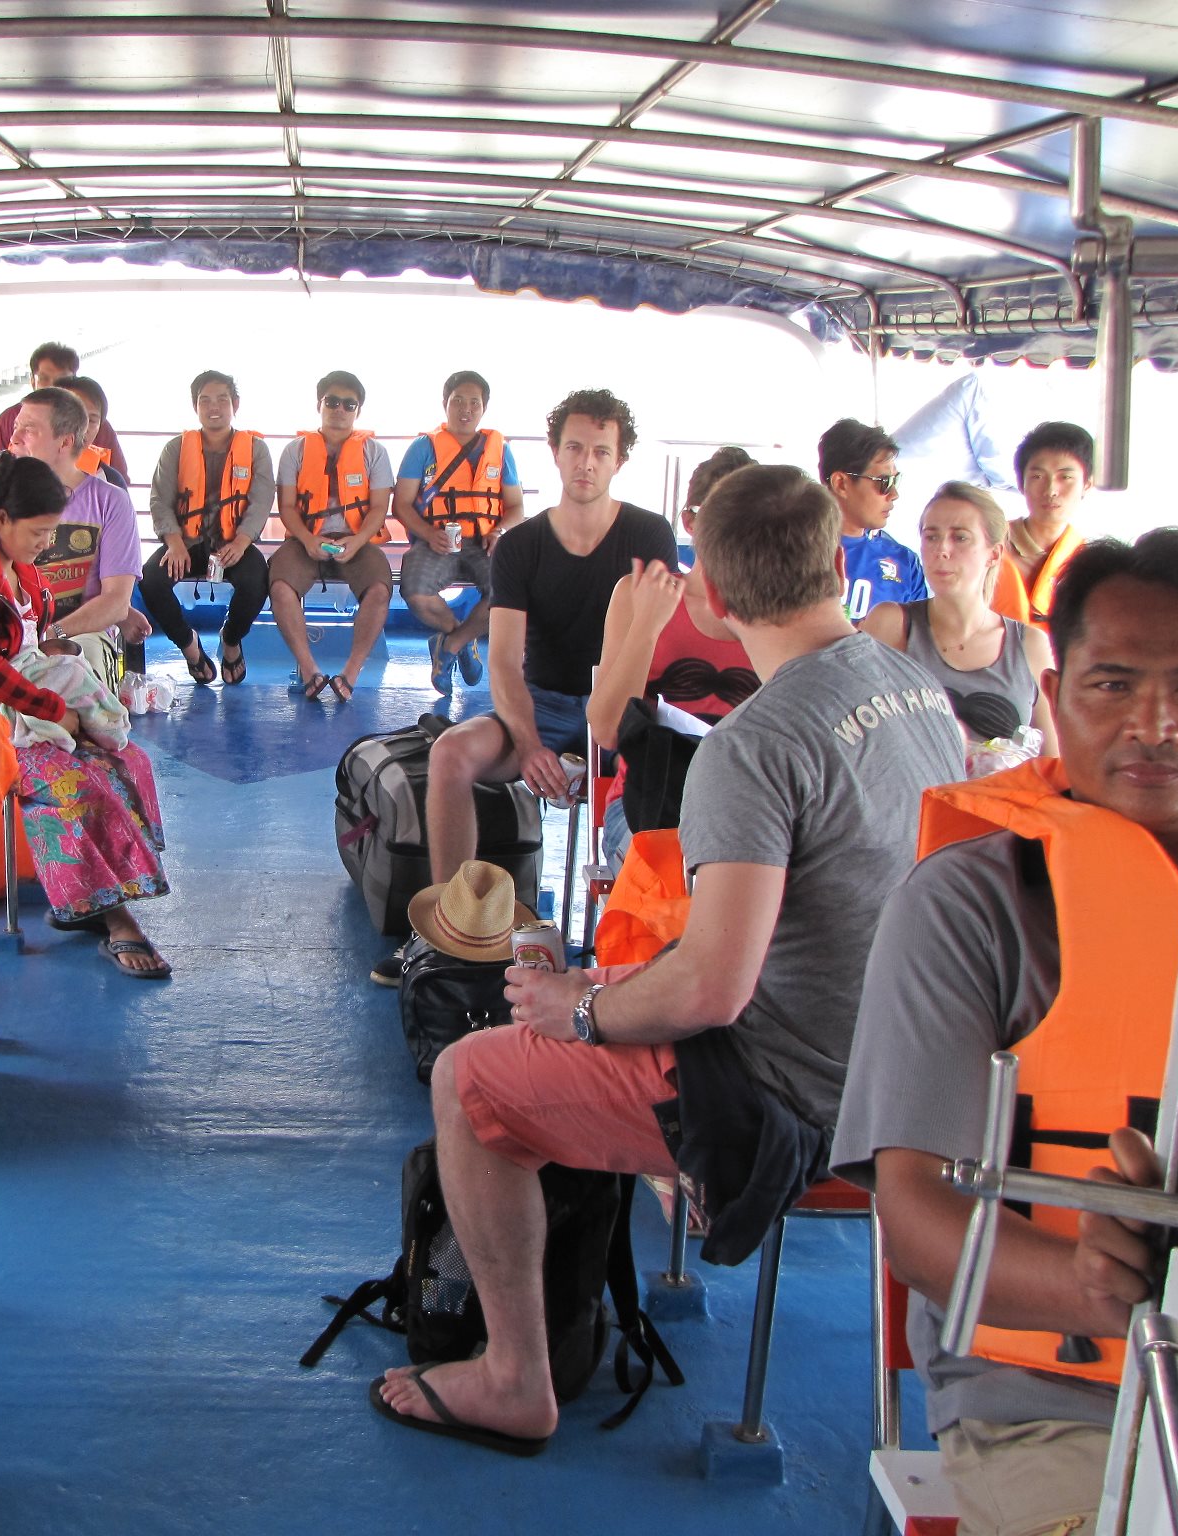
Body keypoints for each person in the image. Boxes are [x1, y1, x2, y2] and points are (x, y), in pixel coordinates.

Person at [371, 463, 965, 1452]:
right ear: (833, 565)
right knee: (571, 992)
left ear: (716, 599)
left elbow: (711, 987)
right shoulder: (911, 689)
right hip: (900, 1069)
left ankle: (514, 1376)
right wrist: (594, 989)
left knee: (469, 1077)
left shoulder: (758, 742)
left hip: (786, 1093)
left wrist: (584, 1010)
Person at [833, 528, 1178, 1536]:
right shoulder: (969, 908)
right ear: (1052, 702)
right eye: (1111, 685)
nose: (1155, 724)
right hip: (1057, 1411)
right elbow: (914, 1220)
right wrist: (1082, 1284)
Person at [370, 388, 673, 986]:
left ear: (619, 461)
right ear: (555, 455)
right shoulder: (523, 545)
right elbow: (506, 663)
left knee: (672, 784)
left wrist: (611, 737)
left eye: (601, 452)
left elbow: (650, 648)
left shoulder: (648, 535)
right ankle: (452, 929)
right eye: (576, 448)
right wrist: (532, 745)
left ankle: (645, 950)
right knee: (451, 753)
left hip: (627, 708)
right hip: (546, 708)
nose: (587, 462)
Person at [0, 455, 172, 978]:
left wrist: (63, 664)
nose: (46, 543)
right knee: (74, 783)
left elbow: (32, 640)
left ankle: (90, 899)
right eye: (39, 531)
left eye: (51, 531)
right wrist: (57, 711)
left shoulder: (17, 566)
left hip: (23, 696)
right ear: (0, 520)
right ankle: (114, 916)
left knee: (128, 762)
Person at [586, 445, 759, 867]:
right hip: (654, 800)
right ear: (691, 522)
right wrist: (648, 625)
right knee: (694, 871)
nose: (735, 535)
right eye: (722, 519)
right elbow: (608, 730)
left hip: (747, 804)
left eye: (749, 521)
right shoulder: (639, 594)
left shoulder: (776, 616)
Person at [862, 481, 1057, 769]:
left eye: (960, 538)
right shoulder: (891, 624)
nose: (942, 550)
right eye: (931, 537)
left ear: (993, 553)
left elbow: (1052, 762)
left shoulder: (1029, 643)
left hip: (998, 808)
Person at [392, 370, 526, 692]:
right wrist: (426, 532)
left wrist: (501, 531)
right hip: (436, 540)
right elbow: (402, 505)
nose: (466, 409)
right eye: (458, 401)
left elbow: (517, 507)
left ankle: (450, 646)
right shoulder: (423, 448)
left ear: (484, 408)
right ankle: (462, 639)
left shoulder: (500, 450)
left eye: (474, 403)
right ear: (445, 404)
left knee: (509, 593)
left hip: (484, 542)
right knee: (415, 591)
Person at [140, 369, 275, 688]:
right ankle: (190, 647)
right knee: (151, 579)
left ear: (235, 404)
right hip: (185, 542)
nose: (214, 407)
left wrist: (242, 542)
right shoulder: (176, 448)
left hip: (233, 543)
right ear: (195, 406)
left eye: (222, 399)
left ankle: (231, 640)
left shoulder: (255, 449)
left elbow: (261, 500)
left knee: (257, 579)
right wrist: (173, 543)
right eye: (205, 400)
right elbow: (160, 499)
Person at [271, 370, 395, 702]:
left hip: (356, 541)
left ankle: (349, 674)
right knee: (280, 587)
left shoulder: (375, 453)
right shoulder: (294, 451)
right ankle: (310, 671)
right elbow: (286, 505)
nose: (340, 409)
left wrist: (357, 541)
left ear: (358, 411)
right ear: (319, 405)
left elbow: (379, 507)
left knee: (381, 590)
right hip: (304, 540)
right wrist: (308, 539)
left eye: (349, 404)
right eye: (333, 402)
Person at [4, 388, 152, 655]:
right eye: (16, 427)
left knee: (77, 659)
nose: (14, 438)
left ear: (64, 442)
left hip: (83, 633)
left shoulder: (110, 502)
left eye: (29, 430)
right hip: (9, 629)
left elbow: (116, 601)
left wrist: (49, 634)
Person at [822, 416, 927, 622]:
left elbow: (919, 646)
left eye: (896, 480)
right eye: (884, 481)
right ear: (841, 484)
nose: (894, 493)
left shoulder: (905, 562)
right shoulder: (795, 555)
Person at [994, 420, 1097, 630]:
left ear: (1087, 484)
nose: (1050, 490)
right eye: (1037, 476)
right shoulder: (985, 543)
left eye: (1065, 477)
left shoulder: (1091, 564)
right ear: (1022, 483)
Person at [0, 342, 129, 478]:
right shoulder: (9, 420)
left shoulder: (96, 424)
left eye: (62, 382)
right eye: (44, 379)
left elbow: (119, 479)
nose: (53, 388)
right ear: (33, 382)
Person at [56, 376, 130, 490]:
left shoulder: (111, 481)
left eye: (92, 420)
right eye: (75, 416)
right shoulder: (26, 473)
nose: (83, 427)